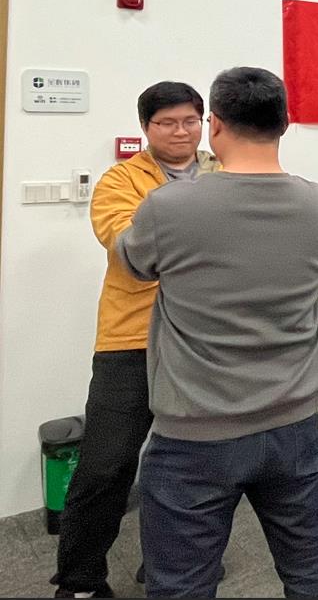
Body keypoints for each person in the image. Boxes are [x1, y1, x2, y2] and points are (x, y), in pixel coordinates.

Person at [117, 67, 318, 597]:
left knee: (182, 584)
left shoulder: (168, 207)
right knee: (311, 568)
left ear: (214, 125)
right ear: (284, 123)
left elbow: (133, 262)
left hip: (195, 430)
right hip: (293, 424)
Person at [53, 81, 218, 600]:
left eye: (190, 121)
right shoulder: (121, 179)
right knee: (107, 464)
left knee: (194, 461)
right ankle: (80, 580)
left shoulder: (223, 172)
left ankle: (172, 561)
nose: (181, 132)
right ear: (146, 128)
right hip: (131, 339)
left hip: (203, 337)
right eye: (167, 123)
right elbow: (129, 248)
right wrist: (208, 245)